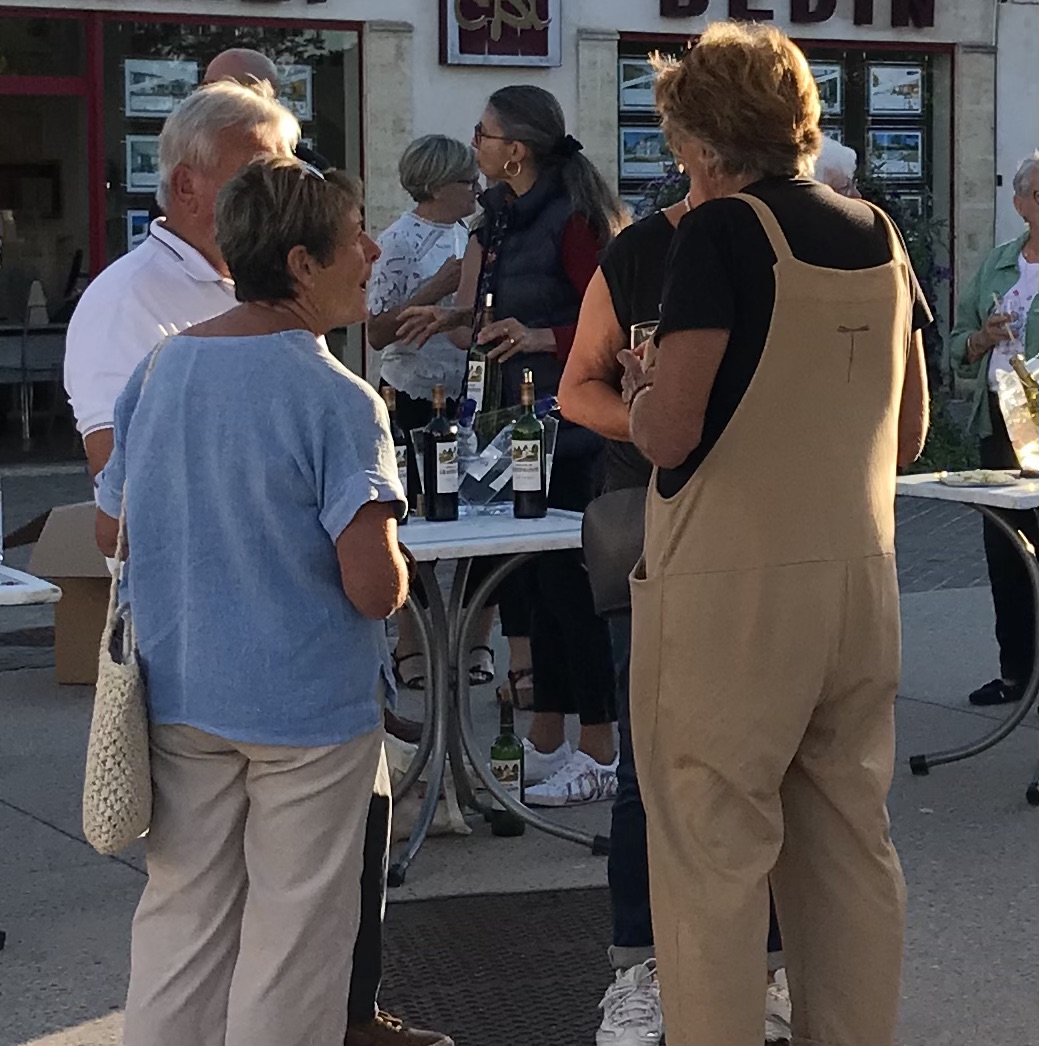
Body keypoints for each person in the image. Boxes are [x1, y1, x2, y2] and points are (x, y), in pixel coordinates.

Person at [66, 80, 447, 1046]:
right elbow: (372, 584)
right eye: (355, 239)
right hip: (305, 711)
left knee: (183, 920)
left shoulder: (160, 366)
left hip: (183, 693)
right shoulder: (336, 397)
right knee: (296, 936)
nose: (370, 257)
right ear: (299, 262)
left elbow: (114, 531)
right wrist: (390, 556)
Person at [619, 23, 930, 1046]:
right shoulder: (878, 230)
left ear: (701, 140)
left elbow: (670, 432)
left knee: (711, 856)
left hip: (730, 592)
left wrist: (639, 386)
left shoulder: (719, 232)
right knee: (848, 845)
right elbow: (912, 429)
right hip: (858, 581)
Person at [399, 85, 628, 805]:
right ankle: (547, 735)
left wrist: (540, 337)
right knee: (527, 585)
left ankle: (600, 746)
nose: (475, 144)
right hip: (509, 422)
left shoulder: (573, 217)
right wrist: (446, 320)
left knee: (570, 587)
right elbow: (491, 308)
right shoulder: (496, 215)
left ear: (516, 150)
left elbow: (615, 318)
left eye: (483, 133)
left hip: (573, 424)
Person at [366, 135, 495, 689]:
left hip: (471, 392)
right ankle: (413, 645)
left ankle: (477, 640)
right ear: (439, 185)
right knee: (413, 519)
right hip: (413, 394)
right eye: (469, 181)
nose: (478, 189)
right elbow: (374, 330)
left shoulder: (480, 233)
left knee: (486, 513)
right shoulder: (397, 241)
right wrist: (437, 287)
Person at [950, 150, 1039, 707]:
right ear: (1021, 202)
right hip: (999, 424)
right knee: (1005, 554)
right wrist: (982, 338)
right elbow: (958, 344)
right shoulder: (1000, 263)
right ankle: (1016, 673)